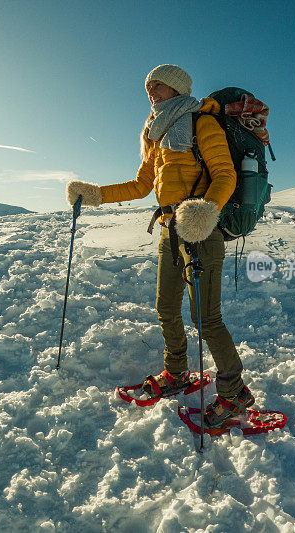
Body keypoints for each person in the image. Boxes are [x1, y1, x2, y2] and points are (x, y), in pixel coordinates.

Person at [65, 64, 253, 427]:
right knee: (166, 307)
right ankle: (177, 372)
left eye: (158, 85)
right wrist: (96, 195)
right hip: (170, 230)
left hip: (201, 230)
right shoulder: (155, 132)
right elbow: (141, 185)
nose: (151, 91)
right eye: (148, 86)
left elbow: (225, 175)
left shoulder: (201, 121)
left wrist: (204, 212)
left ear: (178, 88)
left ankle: (234, 394)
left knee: (206, 318)